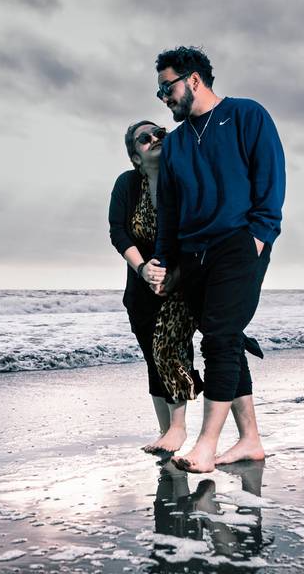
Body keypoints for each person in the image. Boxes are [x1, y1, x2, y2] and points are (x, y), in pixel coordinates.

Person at [152, 46, 286, 473]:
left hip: (237, 243)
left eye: (167, 87)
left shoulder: (247, 115)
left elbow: (270, 179)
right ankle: (250, 440)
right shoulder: (174, 146)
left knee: (218, 339)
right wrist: (164, 260)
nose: (164, 98)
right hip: (193, 253)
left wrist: (258, 239)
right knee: (223, 337)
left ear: (193, 79)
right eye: (160, 92)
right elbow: (169, 211)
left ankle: (207, 446)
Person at [109, 120, 203, 454]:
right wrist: (142, 267)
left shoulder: (185, 182)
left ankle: (179, 428)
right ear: (135, 156)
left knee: (171, 349)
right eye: (145, 139)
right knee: (153, 358)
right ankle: (167, 432)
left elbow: (196, 236)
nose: (155, 140)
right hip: (140, 288)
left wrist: (172, 275)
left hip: (180, 281)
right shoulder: (128, 184)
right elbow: (117, 232)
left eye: (160, 134)